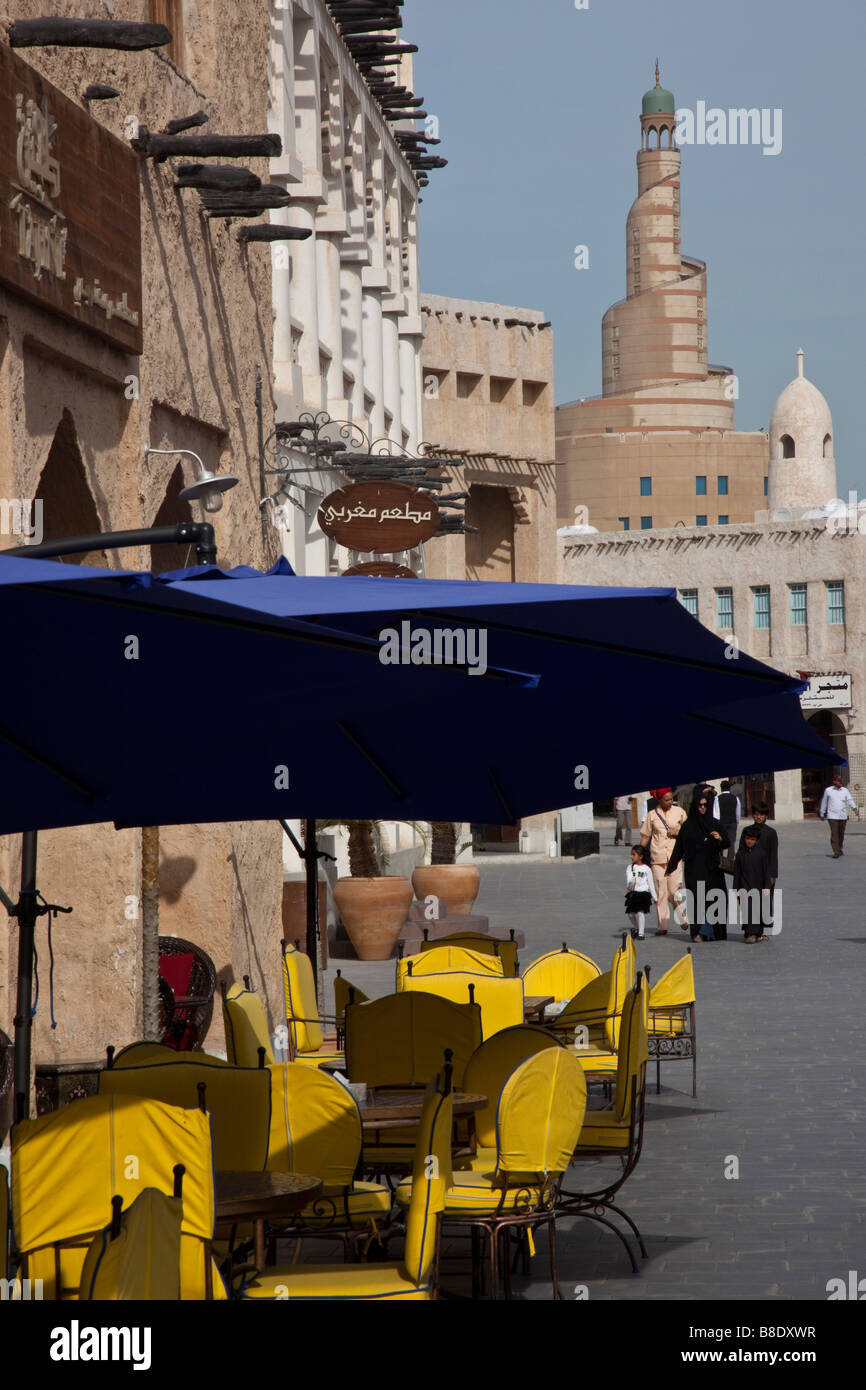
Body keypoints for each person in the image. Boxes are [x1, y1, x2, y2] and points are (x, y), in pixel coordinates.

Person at [665, 789, 730, 941]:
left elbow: (727, 843)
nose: (702, 808)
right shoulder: (688, 827)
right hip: (694, 870)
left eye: (705, 805)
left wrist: (720, 838)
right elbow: (679, 848)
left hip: (713, 870)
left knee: (714, 900)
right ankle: (700, 932)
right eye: (700, 805)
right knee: (698, 901)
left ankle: (711, 932)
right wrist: (671, 867)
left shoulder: (715, 824)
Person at [640, 788, 687, 935]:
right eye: (666, 800)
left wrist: (677, 832)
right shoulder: (652, 815)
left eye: (671, 799)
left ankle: (681, 915)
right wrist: (639, 854)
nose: (670, 802)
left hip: (675, 857)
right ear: (659, 800)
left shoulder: (680, 812)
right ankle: (663, 925)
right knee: (661, 892)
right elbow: (646, 836)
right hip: (657, 858)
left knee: (674, 890)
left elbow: (689, 831)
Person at [733, 824, 772, 942]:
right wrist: (735, 889)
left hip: (758, 887)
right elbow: (737, 873)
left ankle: (756, 933)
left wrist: (767, 887)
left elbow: (766, 872)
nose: (749, 841)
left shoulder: (762, 854)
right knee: (747, 910)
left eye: (752, 839)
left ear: (757, 840)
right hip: (744, 887)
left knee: (757, 910)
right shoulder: (740, 854)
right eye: (747, 838)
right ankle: (750, 933)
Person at [820, 773, 860, 857]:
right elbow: (824, 802)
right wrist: (822, 813)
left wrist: (854, 809)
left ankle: (839, 848)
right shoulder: (828, 790)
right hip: (832, 816)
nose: (840, 782)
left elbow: (849, 800)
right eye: (838, 781)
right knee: (834, 834)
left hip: (842, 816)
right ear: (834, 781)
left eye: (840, 781)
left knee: (841, 834)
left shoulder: (845, 790)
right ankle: (836, 852)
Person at [625, 844, 656, 940]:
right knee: (630, 914)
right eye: (631, 854)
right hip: (634, 893)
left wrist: (655, 897)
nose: (631, 856)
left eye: (634, 854)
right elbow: (629, 880)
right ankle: (637, 928)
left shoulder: (647, 869)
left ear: (641, 856)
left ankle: (641, 933)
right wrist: (630, 884)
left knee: (640, 912)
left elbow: (651, 884)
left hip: (643, 893)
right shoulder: (630, 868)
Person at [717, 780, 741, 848]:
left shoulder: (717, 799)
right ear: (729, 788)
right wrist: (737, 821)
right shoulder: (735, 798)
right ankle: (730, 858)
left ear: (721, 788)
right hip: (732, 822)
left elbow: (716, 812)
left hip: (721, 822)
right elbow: (738, 812)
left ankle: (720, 857)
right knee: (731, 841)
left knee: (720, 840)